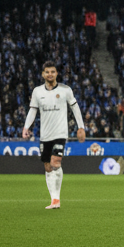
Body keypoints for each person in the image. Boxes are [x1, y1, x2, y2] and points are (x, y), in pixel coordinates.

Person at [21, 61, 86, 210]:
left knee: (56, 162)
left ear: (56, 73)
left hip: (60, 133)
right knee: (48, 166)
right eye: (47, 72)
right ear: (43, 74)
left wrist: (81, 127)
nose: (50, 74)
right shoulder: (37, 91)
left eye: (53, 71)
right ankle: (54, 199)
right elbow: (33, 110)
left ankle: (57, 199)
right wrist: (26, 126)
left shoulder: (65, 90)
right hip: (45, 135)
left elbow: (75, 109)